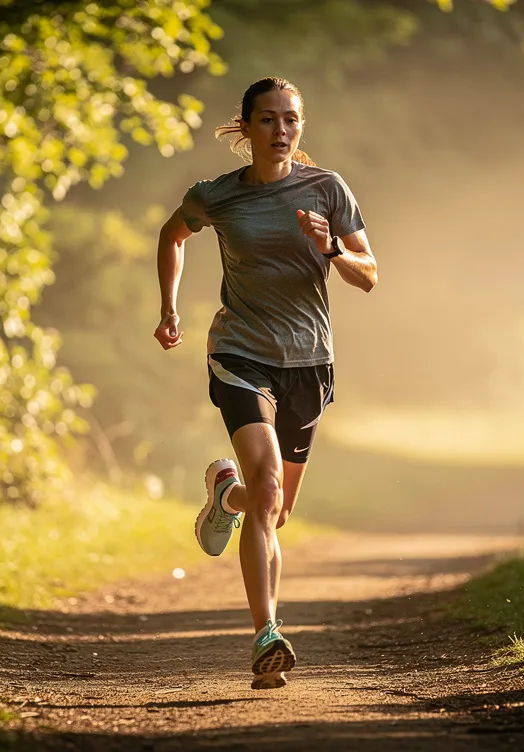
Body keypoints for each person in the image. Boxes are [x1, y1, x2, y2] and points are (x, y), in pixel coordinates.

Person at [152, 77, 378, 690]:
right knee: (269, 484)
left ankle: (226, 495)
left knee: (271, 510)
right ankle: (266, 635)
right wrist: (170, 307)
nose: (281, 130)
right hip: (240, 352)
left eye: (291, 120)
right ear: (246, 127)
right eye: (268, 119)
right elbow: (173, 235)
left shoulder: (327, 188)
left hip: (308, 362)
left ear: (301, 127)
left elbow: (369, 274)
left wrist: (330, 249)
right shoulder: (216, 196)